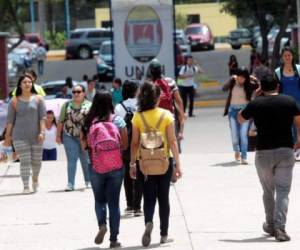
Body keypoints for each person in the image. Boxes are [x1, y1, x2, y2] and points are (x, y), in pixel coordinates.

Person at [238, 74, 300, 242]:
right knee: (283, 191)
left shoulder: (256, 103)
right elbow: (298, 121)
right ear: (277, 86)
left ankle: (271, 225)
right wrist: (299, 139)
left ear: (261, 88)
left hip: (263, 153)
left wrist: (254, 97)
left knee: (268, 191)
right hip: (286, 151)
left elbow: (240, 118)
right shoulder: (289, 101)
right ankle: (280, 227)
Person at [130, 82, 182, 247]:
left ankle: (148, 222)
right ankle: (164, 234)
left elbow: (134, 143)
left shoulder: (138, 117)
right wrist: (178, 165)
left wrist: (132, 163)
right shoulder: (166, 115)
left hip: (144, 162)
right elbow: (173, 141)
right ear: (157, 97)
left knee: (148, 197)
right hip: (164, 160)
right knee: (164, 198)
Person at [82, 91, 128, 248]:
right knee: (114, 203)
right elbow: (125, 144)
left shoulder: (89, 122)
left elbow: (84, 145)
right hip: (116, 166)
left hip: (95, 166)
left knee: (99, 199)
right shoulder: (118, 121)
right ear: (110, 103)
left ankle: (102, 224)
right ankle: (114, 240)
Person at [4, 75, 46, 194]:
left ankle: (35, 179)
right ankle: (26, 186)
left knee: (37, 163)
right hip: (19, 136)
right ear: (20, 85)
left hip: (37, 136)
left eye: (29, 82)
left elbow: (42, 118)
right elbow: (10, 121)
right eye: (24, 82)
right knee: (25, 161)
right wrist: (8, 137)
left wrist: (42, 132)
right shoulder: (14, 100)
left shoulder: (39, 99)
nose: (27, 84)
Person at [114, 80, 143, 216]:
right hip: (140, 144)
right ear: (135, 90)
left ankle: (129, 205)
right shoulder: (141, 104)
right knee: (139, 174)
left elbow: (116, 128)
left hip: (125, 145)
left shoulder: (119, 107)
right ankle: (138, 207)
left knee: (127, 174)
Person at [56, 84, 91, 191]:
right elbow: (61, 121)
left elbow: (93, 122)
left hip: (85, 137)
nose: (76, 94)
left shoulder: (90, 105)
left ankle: (88, 181)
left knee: (85, 160)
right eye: (74, 92)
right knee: (72, 160)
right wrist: (58, 135)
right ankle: (70, 183)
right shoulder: (66, 105)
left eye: (78, 92)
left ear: (84, 93)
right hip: (69, 136)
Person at [223, 67, 258, 164]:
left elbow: (259, 85)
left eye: (244, 77)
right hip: (232, 111)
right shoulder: (232, 83)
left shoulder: (249, 85)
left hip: (244, 112)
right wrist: (231, 79)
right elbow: (223, 88)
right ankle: (236, 150)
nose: (241, 79)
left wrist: (252, 78)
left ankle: (244, 157)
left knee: (243, 135)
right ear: (236, 76)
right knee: (235, 135)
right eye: (240, 76)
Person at [275, 47, 300, 146]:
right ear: (282, 57)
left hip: (298, 102)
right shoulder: (278, 72)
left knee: (298, 127)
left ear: (292, 56)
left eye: (289, 55)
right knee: (288, 127)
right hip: (285, 104)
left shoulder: (298, 69)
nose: (287, 57)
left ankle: (298, 148)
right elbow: (276, 89)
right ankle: (292, 149)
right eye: (285, 55)